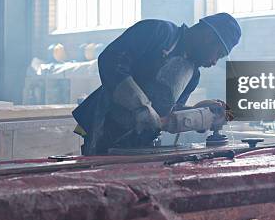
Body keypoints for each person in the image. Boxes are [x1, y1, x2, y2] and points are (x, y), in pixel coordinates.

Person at [72, 13, 241, 155]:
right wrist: (141, 106)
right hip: (101, 124)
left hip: (137, 143)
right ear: (208, 37)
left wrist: (199, 112)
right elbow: (111, 60)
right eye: (218, 54)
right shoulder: (158, 32)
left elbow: (164, 114)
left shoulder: (193, 75)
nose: (213, 62)